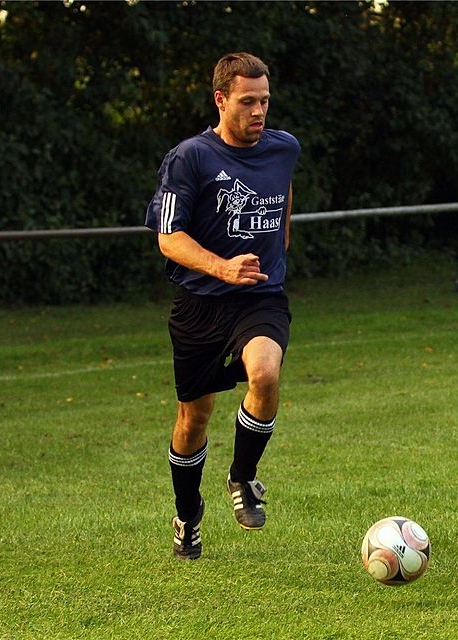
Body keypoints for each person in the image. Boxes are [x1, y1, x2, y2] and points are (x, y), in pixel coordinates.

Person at [144, 52, 301, 560]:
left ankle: (243, 475)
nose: (259, 111)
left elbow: (284, 201)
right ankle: (187, 513)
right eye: (248, 101)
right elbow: (169, 240)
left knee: (266, 373)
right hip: (200, 304)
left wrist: (272, 257)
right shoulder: (189, 157)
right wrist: (222, 266)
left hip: (259, 297)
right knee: (193, 419)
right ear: (221, 100)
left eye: (265, 101)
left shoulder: (284, 149)